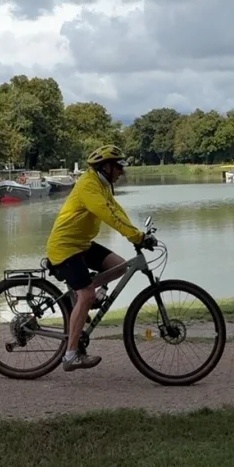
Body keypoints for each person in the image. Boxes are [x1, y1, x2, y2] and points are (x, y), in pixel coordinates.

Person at [46, 143, 154, 372]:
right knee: (86, 294)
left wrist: (138, 234)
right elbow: (107, 215)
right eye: (118, 167)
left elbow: (116, 210)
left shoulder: (103, 185)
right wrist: (134, 236)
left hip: (81, 244)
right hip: (65, 246)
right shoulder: (88, 185)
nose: (121, 172)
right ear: (105, 166)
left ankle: (81, 293)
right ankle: (71, 355)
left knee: (120, 266)